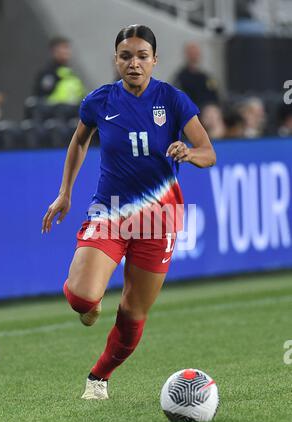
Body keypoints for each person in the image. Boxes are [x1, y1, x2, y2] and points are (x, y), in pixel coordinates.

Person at [42, 25, 216, 400]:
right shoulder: (99, 101)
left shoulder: (173, 100)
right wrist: (64, 193)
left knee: (133, 313)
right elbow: (79, 140)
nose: (133, 63)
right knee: (83, 298)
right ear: (116, 60)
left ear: (154, 60)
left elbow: (208, 151)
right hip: (111, 212)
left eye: (141, 56)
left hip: (160, 220)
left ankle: (99, 377)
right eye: (125, 56)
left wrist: (189, 153)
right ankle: (93, 303)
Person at [32, 37, 86, 105]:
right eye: (63, 48)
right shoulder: (48, 73)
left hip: (73, 114)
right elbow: (40, 100)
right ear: (54, 51)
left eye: (67, 47)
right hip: (54, 114)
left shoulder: (72, 74)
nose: (67, 51)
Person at [172, 42, 219, 110]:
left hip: (209, 110)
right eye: (191, 53)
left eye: (196, 53)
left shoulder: (206, 77)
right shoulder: (181, 78)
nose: (194, 56)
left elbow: (215, 96)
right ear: (186, 55)